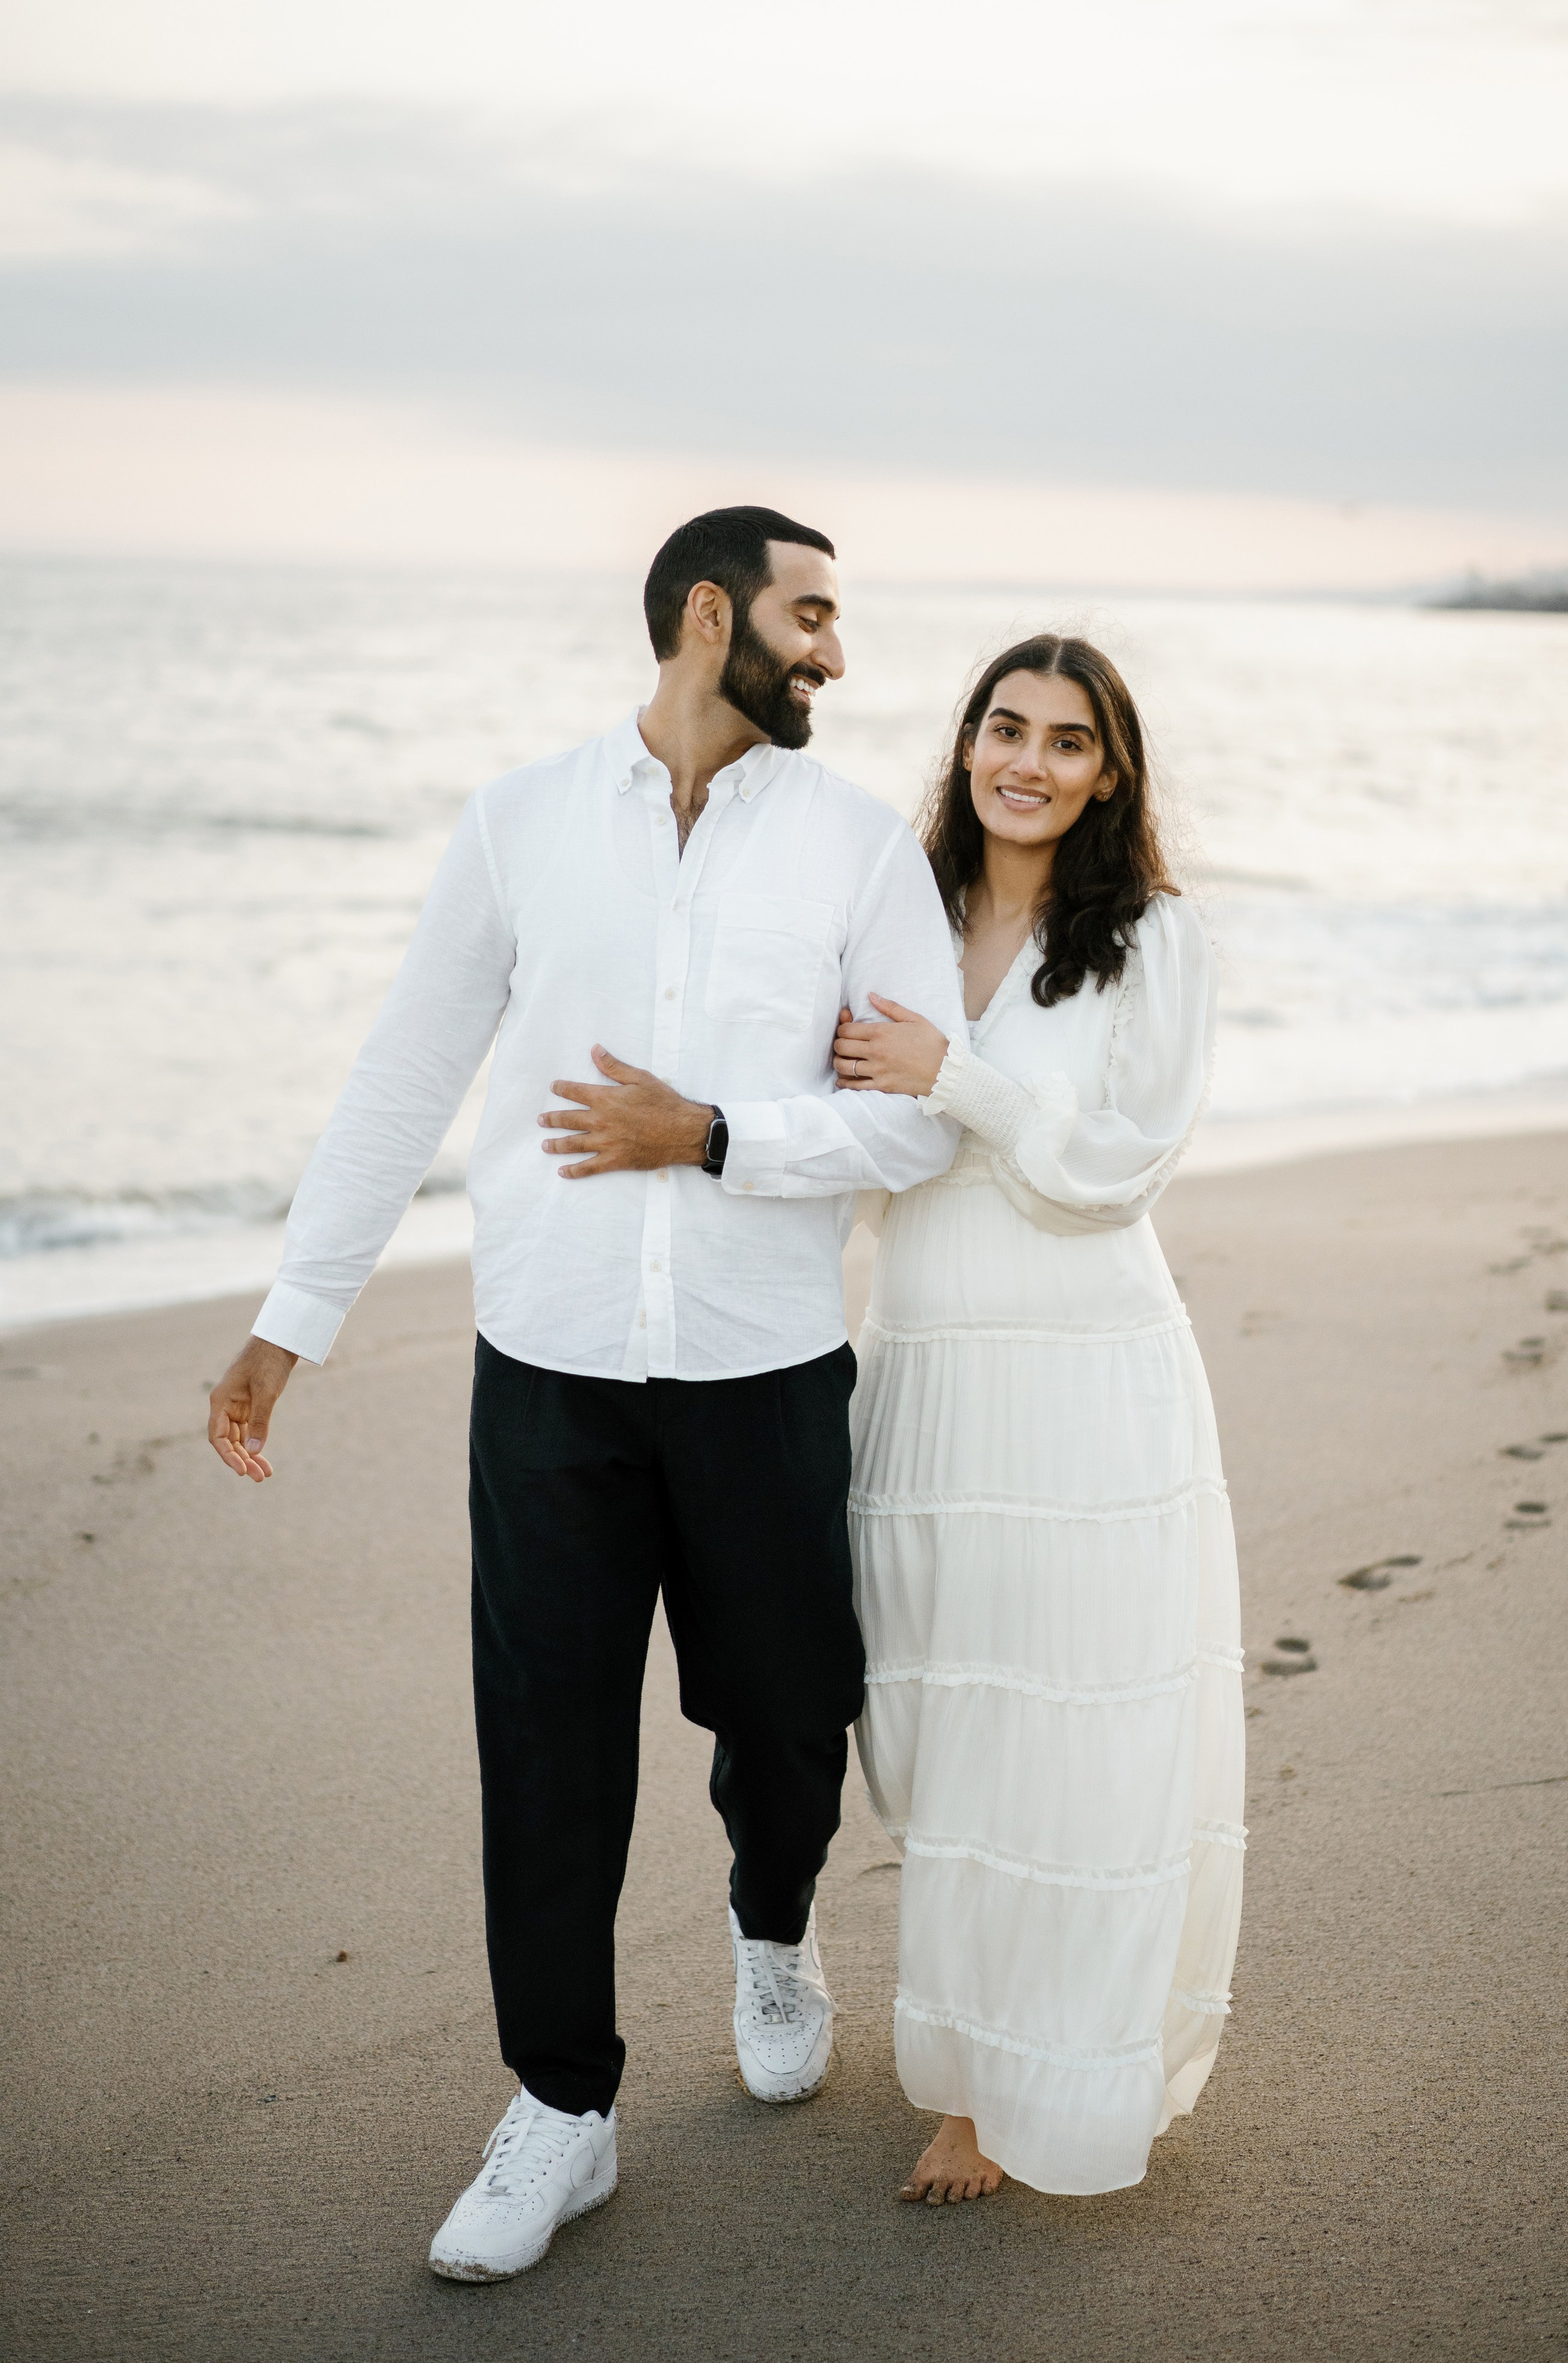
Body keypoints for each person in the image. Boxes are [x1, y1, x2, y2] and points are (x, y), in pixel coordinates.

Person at [205, 508, 967, 2282]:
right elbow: (408, 1070)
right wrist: (290, 1315)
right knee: (545, 1753)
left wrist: (708, 1136)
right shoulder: (520, 823)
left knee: (788, 1722)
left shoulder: (859, 852)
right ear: (710, 619)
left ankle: (772, 1925)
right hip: (544, 1373)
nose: (840, 656)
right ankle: (562, 2107)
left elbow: (925, 1114)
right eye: (813, 617)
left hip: (763, 1371)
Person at [831, 633, 1244, 2204]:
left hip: (1085, 1377)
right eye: (1004, 728)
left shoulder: (1150, 937)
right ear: (965, 746)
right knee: (938, 1731)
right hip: (927, 1363)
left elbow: (1116, 1171)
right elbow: (856, 1152)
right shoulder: (901, 920)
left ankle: (1006, 2090)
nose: (1027, 760)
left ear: (1105, 774)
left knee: (1068, 1732)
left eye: (1066, 742)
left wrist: (961, 1078)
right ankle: (972, 2046)